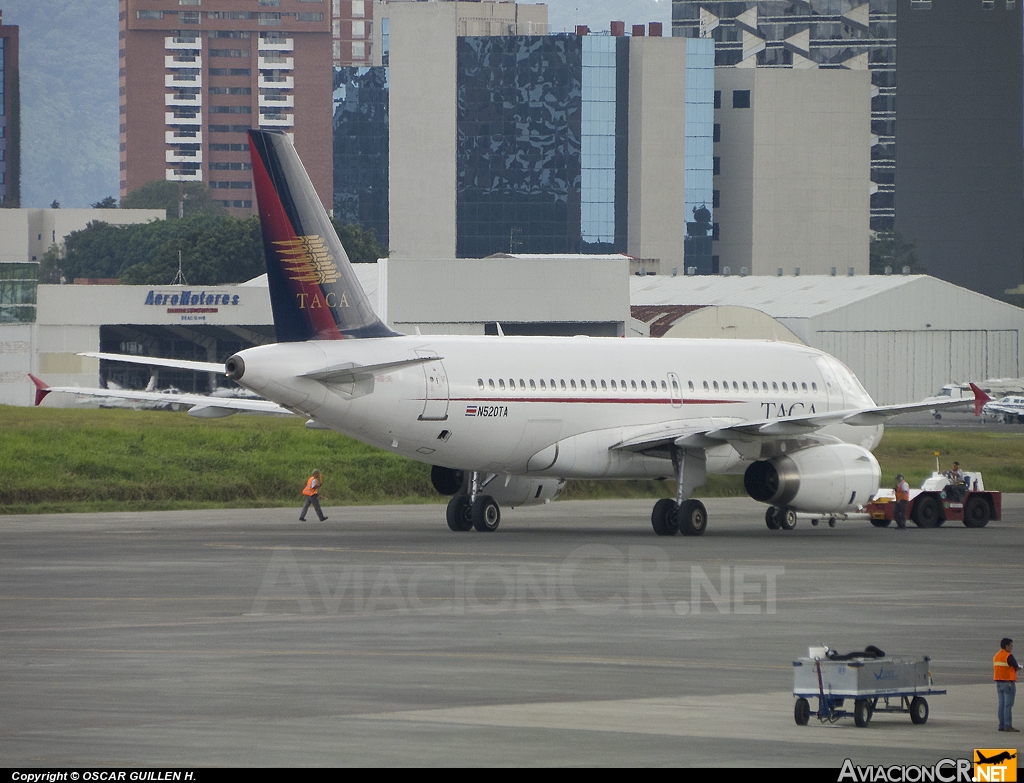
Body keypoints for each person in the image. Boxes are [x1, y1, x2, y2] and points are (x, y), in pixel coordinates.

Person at [995, 637, 1021, 732]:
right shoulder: (1008, 656)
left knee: (1001, 704)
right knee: (1008, 705)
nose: (1011, 647)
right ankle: (1007, 725)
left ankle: (1001, 725)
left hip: (999, 683)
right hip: (1008, 683)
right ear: (1006, 646)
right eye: (1010, 645)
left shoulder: (997, 656)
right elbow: (1016, 667)